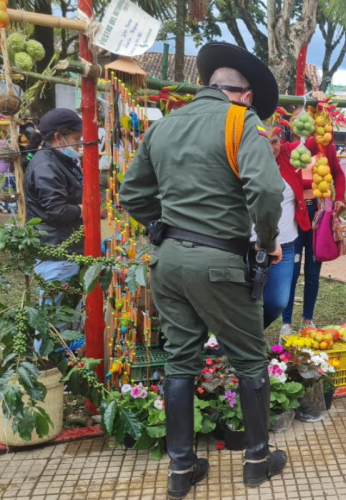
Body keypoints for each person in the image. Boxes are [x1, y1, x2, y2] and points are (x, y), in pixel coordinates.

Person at [119, 42, 287, 499]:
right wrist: (267, 242)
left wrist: (166, 224)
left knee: (179, 361)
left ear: (210, 84)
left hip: (168, 263)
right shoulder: (240, 121)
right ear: (245, 94)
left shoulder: (166, 124)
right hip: (221, 264)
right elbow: (268, 192)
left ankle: (182, 470)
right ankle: (256, 460)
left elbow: (131, 195)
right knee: (250, 359)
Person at [281, 97, 346, 334]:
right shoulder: (287, 147)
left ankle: (307, 319)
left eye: (307, 119)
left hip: (319, 214)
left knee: (312, 269)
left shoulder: (324, 145)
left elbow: (338, 174)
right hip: (294, 214)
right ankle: (286, 322)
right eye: (298, 119)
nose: (304, 123)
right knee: (291, 268)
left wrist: (338, 198)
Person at [24, 109, 85, 310]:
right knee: (53, 320)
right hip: (56, 251)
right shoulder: (46, 166)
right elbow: (56, 210)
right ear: (59, 137)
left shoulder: (59, 160)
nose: (80, 143)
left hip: (64, 247)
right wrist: (85, 209)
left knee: (65, 314)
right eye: (77, 138)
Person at [258, 126, 309, 329]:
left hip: (286, 245)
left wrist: (315, 108)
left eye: (275, 142)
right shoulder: (244, 165)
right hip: (252, 243)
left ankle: (247, 335)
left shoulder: (289, 157)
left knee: (277, 301)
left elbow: (317, 140)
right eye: (265, 142)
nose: (272, 148)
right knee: (244, 298)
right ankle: (242, 341)